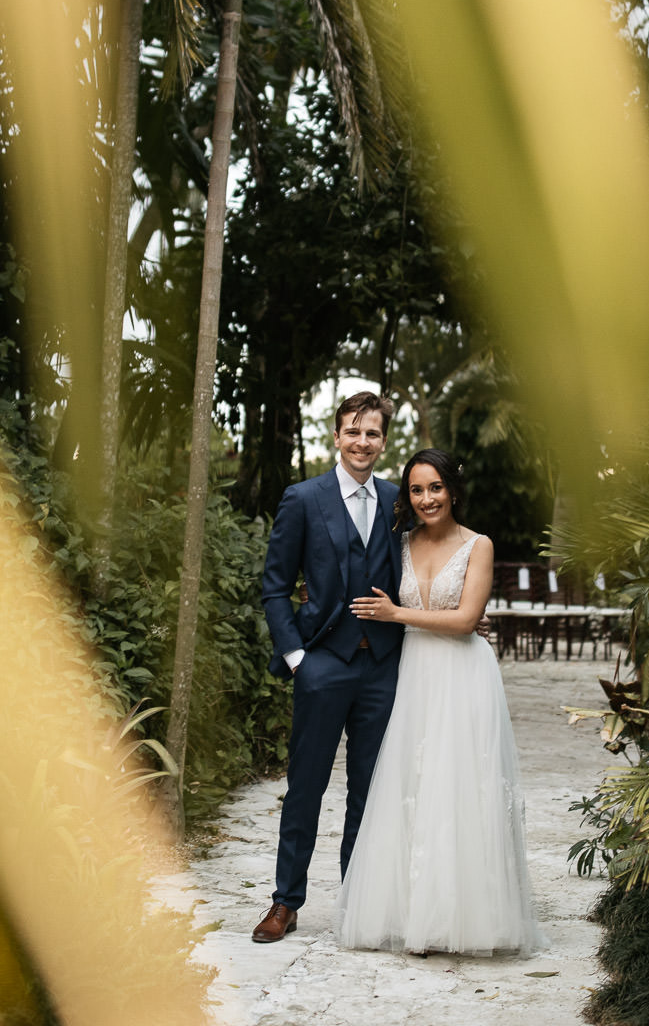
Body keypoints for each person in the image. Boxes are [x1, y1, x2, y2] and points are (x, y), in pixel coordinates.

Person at [337, 448, 543, 955]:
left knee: (460, 789)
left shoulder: (479, 545)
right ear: (406, 496)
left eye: (435, 488)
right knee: (413, 785)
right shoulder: (399, 544)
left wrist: (396, 615)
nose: (427, 498)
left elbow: (467, 619)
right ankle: (415, 917)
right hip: (413, 674)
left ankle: (468, 918)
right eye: (416, 489)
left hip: (463, 676)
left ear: (452, 490)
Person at [251, 392, 405, 943]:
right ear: (336, 437)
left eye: (373, 434)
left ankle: (356, 904)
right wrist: (297, 658)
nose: (363, 442)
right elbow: (273, 586)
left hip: (383, 667)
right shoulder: (303, 498)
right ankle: (285, 902)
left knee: (369, 790)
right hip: (321, 665)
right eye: (353, 432)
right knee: (305, 787)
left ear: (384, 442)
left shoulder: (397, 501)